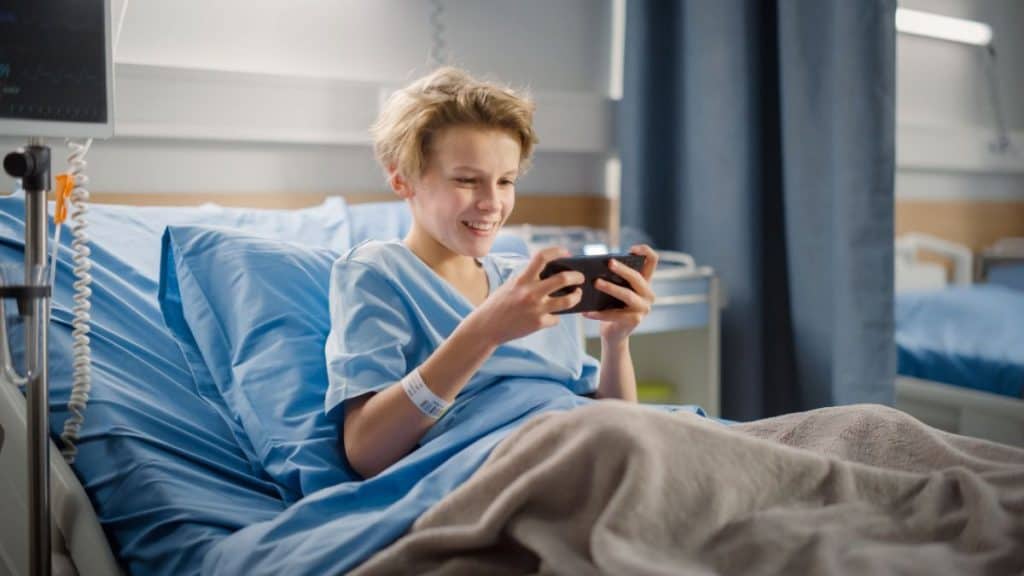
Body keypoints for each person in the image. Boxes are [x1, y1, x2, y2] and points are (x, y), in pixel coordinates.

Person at [324, 67, 661, 480]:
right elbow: (366, 451)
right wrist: (485, 332)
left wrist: (616, 343)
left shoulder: (529, 281)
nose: (492, 203)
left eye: (506, 181)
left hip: (589, 446)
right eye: (467, 180)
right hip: (510, 466)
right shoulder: (378, 273)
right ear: (402, 178)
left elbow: (617, 422)